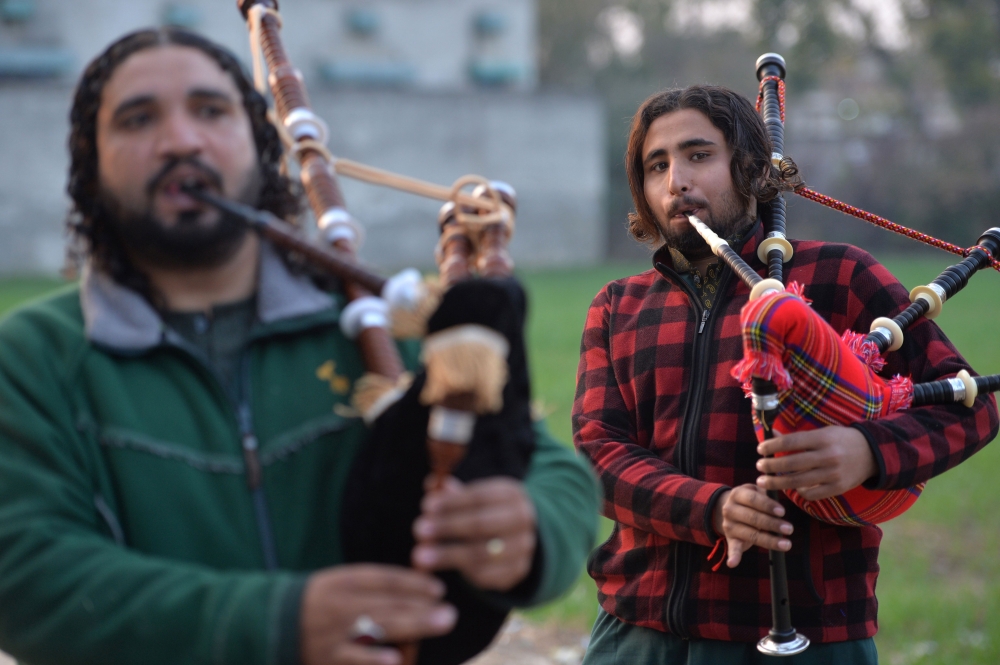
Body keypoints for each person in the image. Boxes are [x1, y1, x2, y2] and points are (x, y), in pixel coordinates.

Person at [0, 28, 598, 665]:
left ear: (260, 146)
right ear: (91, 163)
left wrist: (528, 524)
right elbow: (24, 571)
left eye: (210, 110)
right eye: (138, 119)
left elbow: (550, 468)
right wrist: (273, 623)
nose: (180, 140)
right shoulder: (33, 358)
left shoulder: (371, 326)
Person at [573, 85, 998, 664]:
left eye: (699, 155)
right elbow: (598, 453)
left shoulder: (840, 276)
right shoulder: (618, 306)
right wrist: (710, 508)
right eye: (657, 165)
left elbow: (970, 406)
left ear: (750, 167)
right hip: (636, 629)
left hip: (810, 633)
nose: (677, 182)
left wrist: (867, 451)